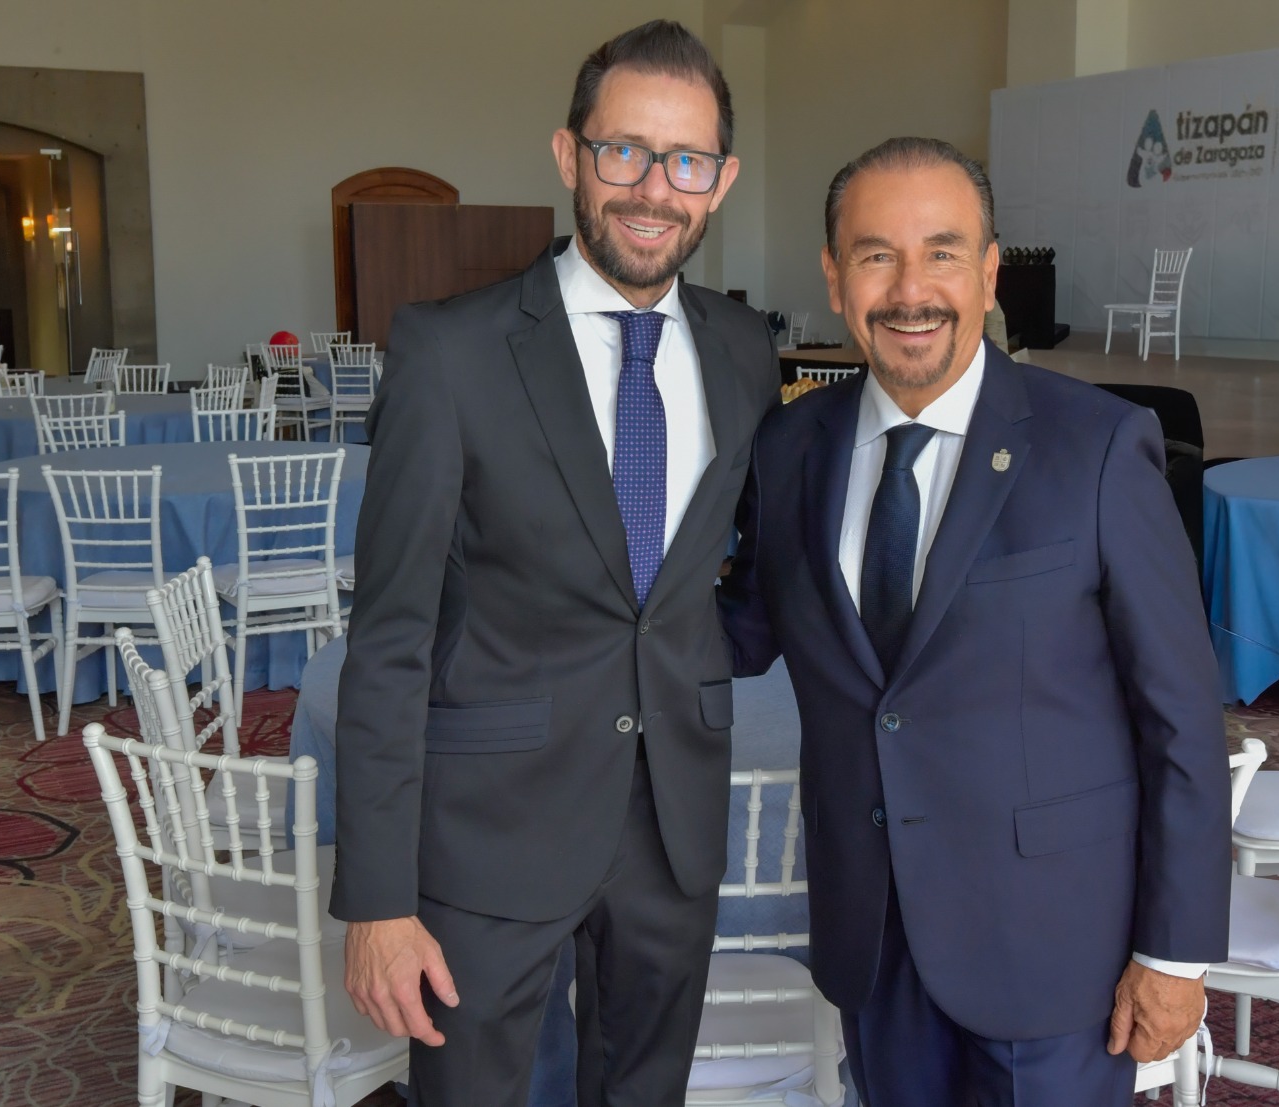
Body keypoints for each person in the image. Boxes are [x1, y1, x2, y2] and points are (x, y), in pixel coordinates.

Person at [718, 136, 1231, 1106]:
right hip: (875, 941)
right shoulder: (790, 447)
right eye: (877, 254)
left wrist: (1174, 952)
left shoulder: (1095, 445)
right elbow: (739, 631)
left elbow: (1180, 714)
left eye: (942, 252)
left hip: (1054, 953)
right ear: (834, 276)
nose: (911, 290)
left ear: (989, 272)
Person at [330, 20, 781, 1106]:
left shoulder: (742, 349)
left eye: (686, 161)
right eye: (624, 151)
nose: (653, 189)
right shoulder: (450, 350)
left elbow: (749, 571)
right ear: (569, 155)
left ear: (721, 182)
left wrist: (698, 661)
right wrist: (378, 900)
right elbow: (389, 639)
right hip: (488, 831)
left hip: (671, 826)